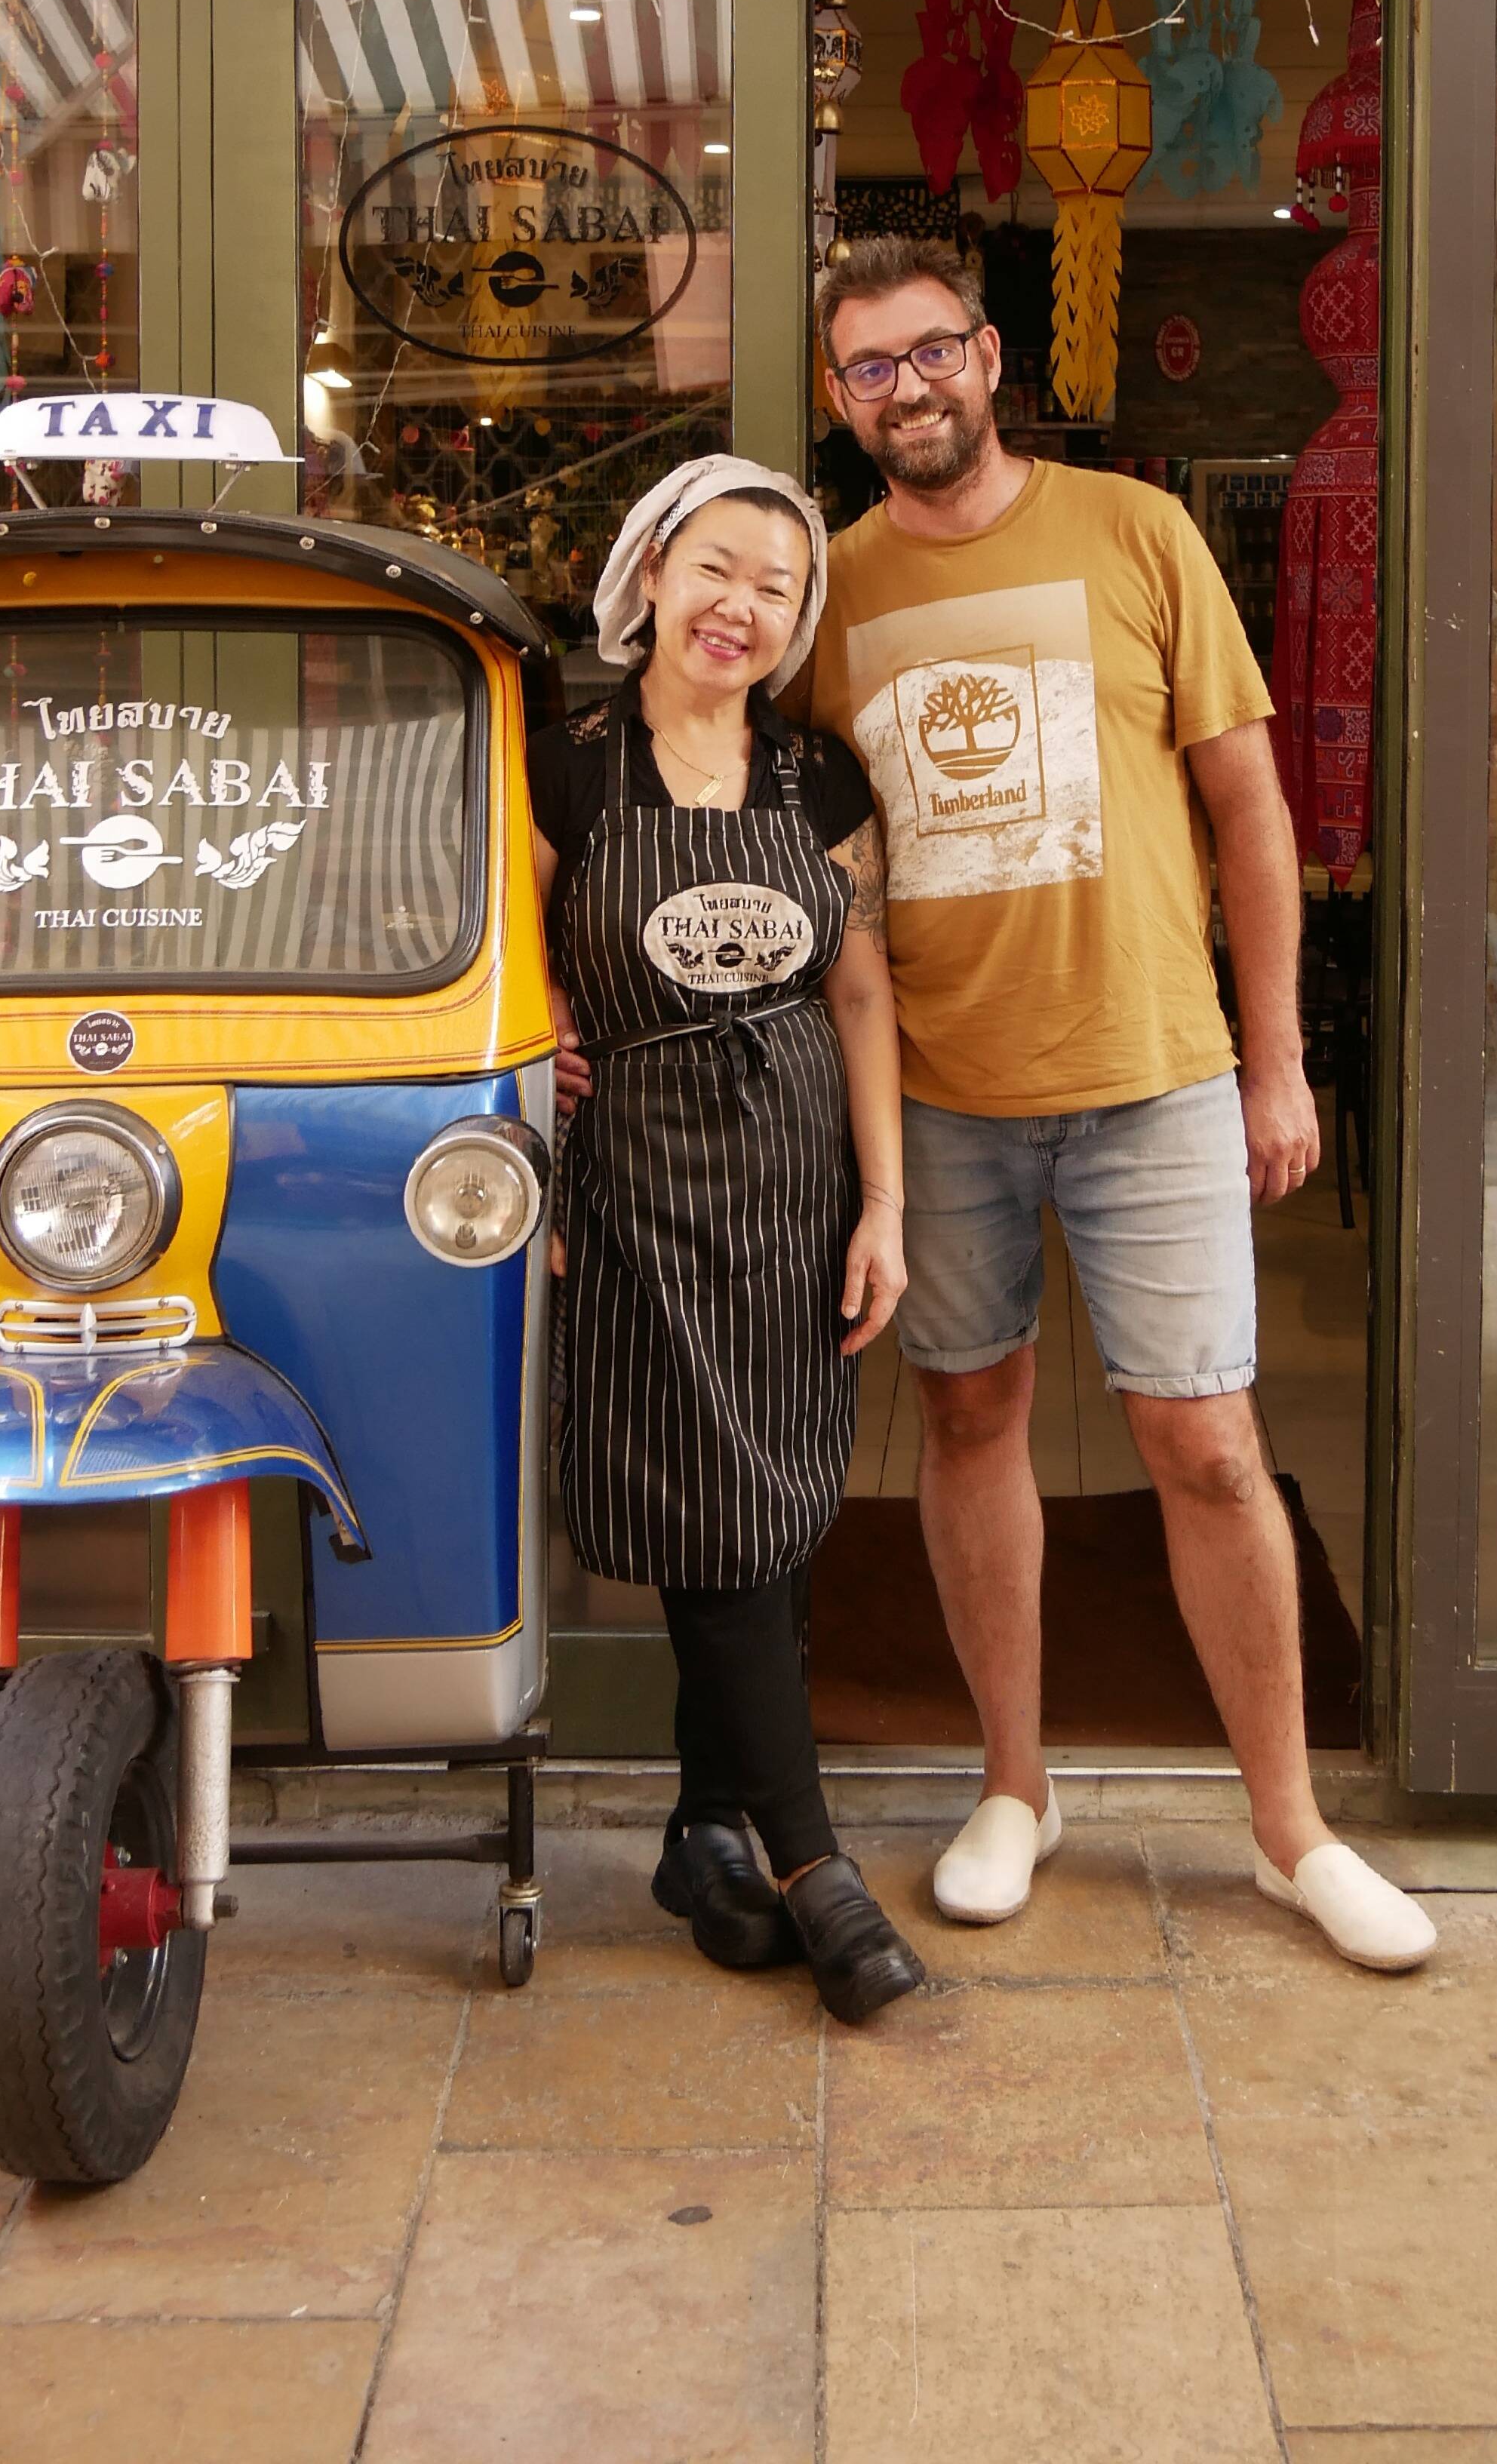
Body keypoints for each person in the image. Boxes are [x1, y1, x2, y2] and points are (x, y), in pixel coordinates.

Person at [800, 237, 1435, 1974]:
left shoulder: (1134, 534)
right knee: (968, 1423)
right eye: (869, 367)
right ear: (838, 398)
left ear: (990, 358)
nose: (907, 386)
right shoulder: (828, 593)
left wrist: (1278, 1054)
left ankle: (1292, 1829)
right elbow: (782, 842)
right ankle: (1014, 1784)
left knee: (1207, 1445)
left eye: (931, 350)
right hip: (937, 1088)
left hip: (1153, 1072)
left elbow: (1249, 814)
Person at [530, 453, 926, 2023]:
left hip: (790, 1194)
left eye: (775, 583)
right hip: (630, 1186)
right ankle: (816, 1862)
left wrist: (883, 1202)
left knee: (768, 1511)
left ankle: (706, 1836)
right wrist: (541, 1036)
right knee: (714, 1510)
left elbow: (862, 990)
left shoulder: (814, 782)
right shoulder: (564, 772)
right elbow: (506, 965)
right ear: (648, 575)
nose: (738, 605)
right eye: (714, 567)